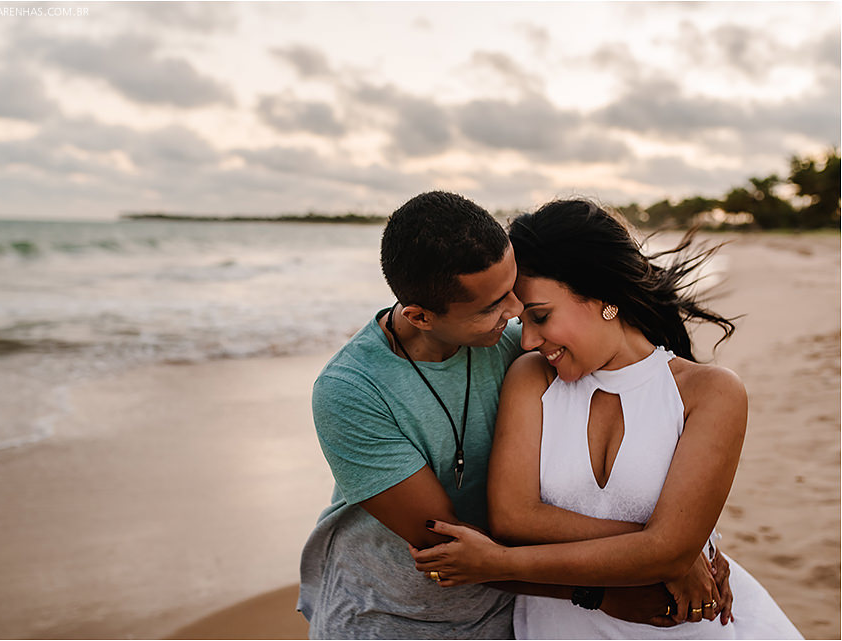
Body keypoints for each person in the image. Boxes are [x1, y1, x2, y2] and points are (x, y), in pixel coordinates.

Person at [298, 192, 731, 639]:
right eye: (492, 307)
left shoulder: (522, 341)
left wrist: (679, 546)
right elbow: (450, 545)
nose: (516, 314)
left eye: (513, 289)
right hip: (392, 613)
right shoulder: (351, 391)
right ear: (420, 317)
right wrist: (624, 576)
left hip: (514, 613)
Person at [409, 199, 802, 639]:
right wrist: (670, 546)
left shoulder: (709, 393)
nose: (528, 340)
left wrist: (499, 563)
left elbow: (667, 551)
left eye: (540, 317)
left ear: (603, 297)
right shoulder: (532, 378)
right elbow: (513, 518)